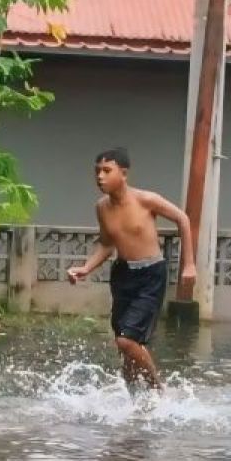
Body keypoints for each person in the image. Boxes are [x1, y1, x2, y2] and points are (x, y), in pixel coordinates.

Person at [67, 148, 196, 390]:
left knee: (126, 341)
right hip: (123, 275)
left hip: (151, 275)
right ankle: (132, 404)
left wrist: (189, 264)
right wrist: (86, 268)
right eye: (97, 171)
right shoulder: (102, 207)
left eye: (107, 171)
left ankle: (159, 390)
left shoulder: (145, 200)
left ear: (123, 173)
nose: (100, 177)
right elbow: (107, 243)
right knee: (125, 346)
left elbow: (183, 219)